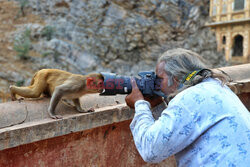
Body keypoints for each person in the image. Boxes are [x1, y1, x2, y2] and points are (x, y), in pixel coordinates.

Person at [125, 48, 250, 166]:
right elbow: (175, 129)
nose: (157, 85)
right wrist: (157, 106)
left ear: (175, 79)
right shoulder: (216, 87)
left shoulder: (188, 98)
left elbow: (151, 149)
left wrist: (140, 104)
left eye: (160, 79)